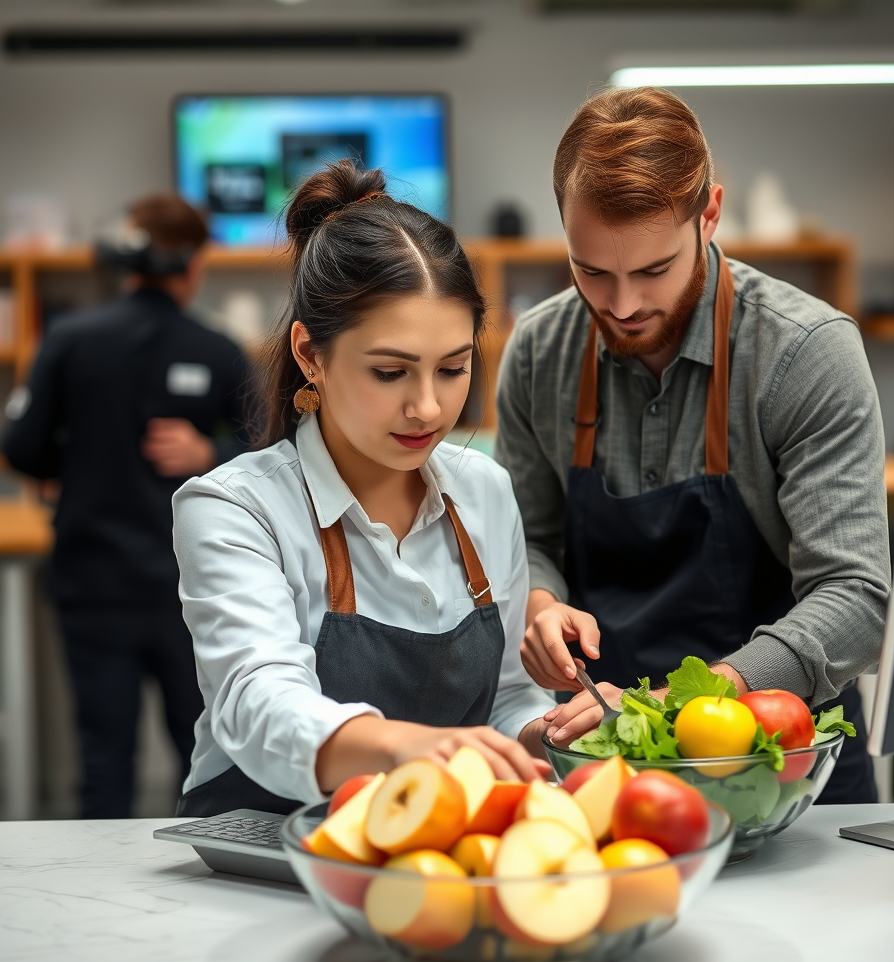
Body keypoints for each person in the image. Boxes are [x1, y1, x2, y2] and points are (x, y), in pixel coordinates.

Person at [494, 88, 891, 802]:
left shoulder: (804, 353)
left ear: (708, 214)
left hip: (784, 769)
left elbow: (855, 598)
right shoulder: (537, 353)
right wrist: (541, 604)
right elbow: (528, 540)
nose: (620, 306)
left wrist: (691, 710)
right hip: (607, 761)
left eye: (652, 271)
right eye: (592, 272)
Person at [171, 161, 555, 817]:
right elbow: (258, 700)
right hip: (259, 861)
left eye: (454, 368)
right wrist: (402, 746)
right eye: (390, 372)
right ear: (310, 354)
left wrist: (545, 735)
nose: (429, 408)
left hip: (428, 860)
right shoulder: (235, 508)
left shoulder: (485, 492)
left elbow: (509, 697)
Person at [2, 193, 250, 818]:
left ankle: (97, 905)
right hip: (193, 589)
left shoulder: (68, 339)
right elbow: (269, 450)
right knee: (204, 755)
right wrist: (209, 449)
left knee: (104, 759)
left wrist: (75, 467)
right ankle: (201, 893)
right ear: (192, 264)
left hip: (93, 584)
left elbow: (21, 446)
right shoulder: (218, 348)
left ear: (129, 261)